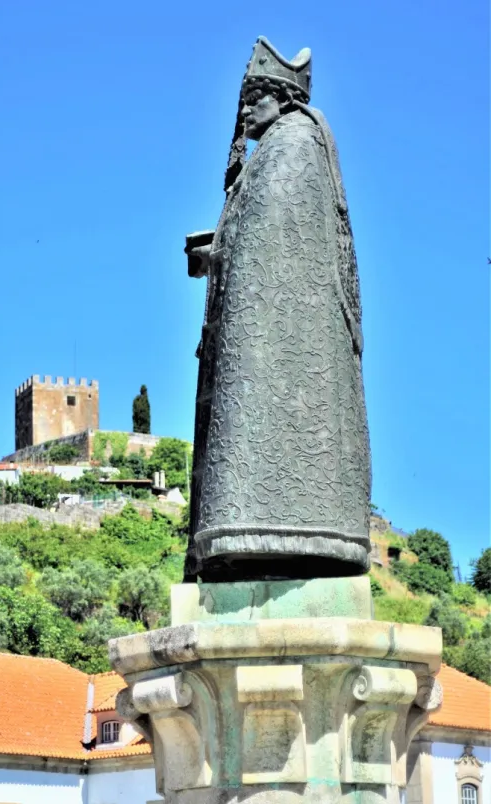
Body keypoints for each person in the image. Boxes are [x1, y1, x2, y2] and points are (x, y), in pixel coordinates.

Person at [184, 37, 371, 582]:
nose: (245, 108)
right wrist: (218, 249)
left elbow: (273, 245)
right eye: (243, 98)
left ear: (284, 99)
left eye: (257, 96)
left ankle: (275, 535)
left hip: (282, 354)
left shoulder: (293, 145)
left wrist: (220, 249)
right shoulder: (272, 151)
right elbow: (255, 239)